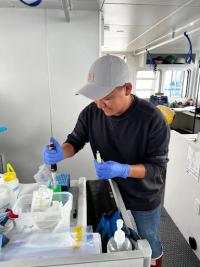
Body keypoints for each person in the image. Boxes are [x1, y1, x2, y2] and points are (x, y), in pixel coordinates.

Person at [43, 55, 170, 267]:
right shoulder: (92, 113)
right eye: (95, 97)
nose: (100, 104)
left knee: (149, 246)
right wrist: (60, 153)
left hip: (144, 196)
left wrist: (123, 169)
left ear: (127, 89)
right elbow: (75, 141)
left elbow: (156, 168)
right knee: (120, 242)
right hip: (111, 192)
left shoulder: (152, 119)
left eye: (107, 97)